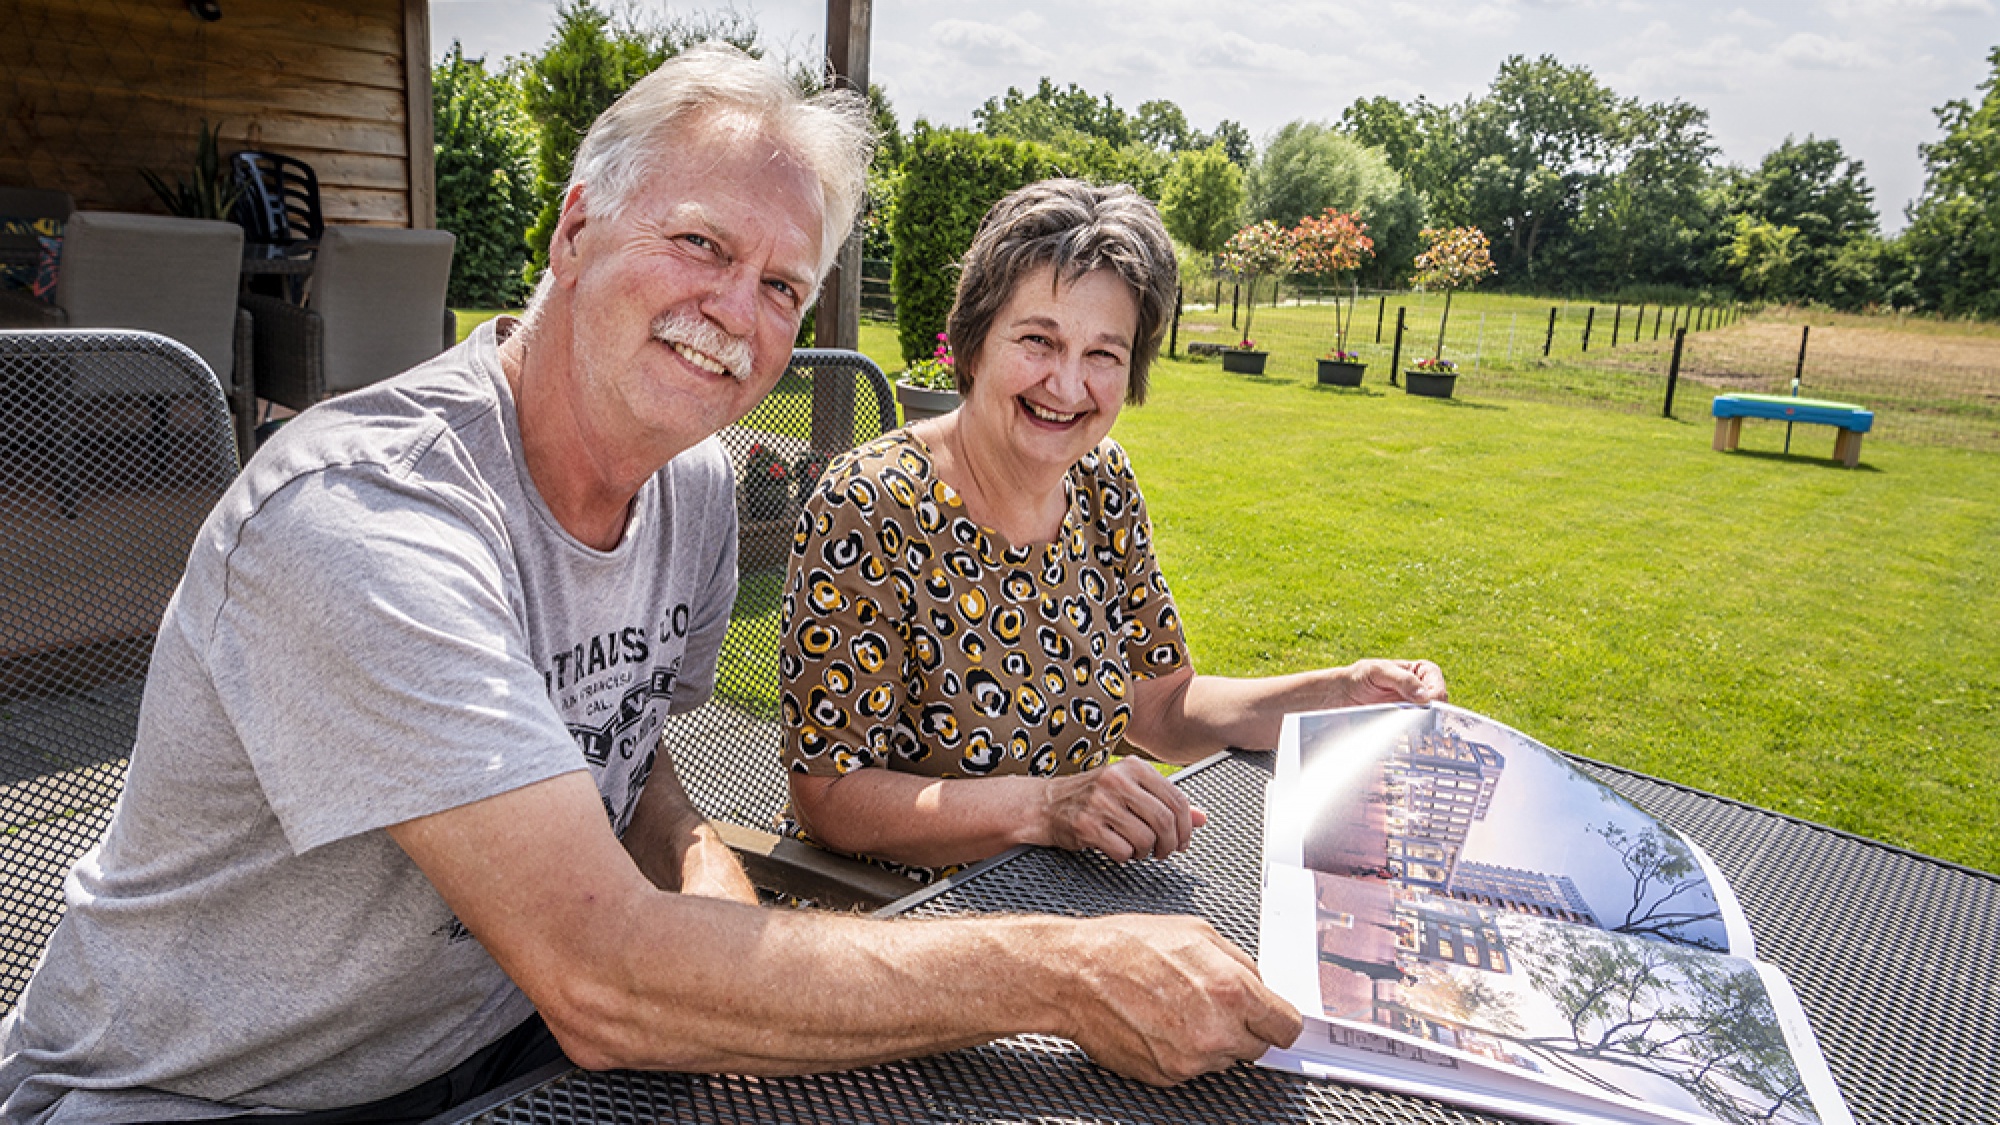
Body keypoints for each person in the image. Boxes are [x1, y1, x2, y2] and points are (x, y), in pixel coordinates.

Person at [0, 48, 1300, 1125]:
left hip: (503, 1061)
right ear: (574, 228)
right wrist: (1065, 974)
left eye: (781, 283)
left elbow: (633, 759)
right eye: (697, 242)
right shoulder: (367, 518)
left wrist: (706, 886)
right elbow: (605, 978)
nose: (734, 309)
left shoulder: (687, 486)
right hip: (193, 1097)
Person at [779, 180, 1447, 881]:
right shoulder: (873, 504)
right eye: (1039, 340)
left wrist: (1339, 694)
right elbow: (830, 796)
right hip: (898, 914)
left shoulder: (1102, 482)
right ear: (973, 344)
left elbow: (1161, 706)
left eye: (1103, 354)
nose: (1068, 386)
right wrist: (1044, 807)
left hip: (1072, 896)